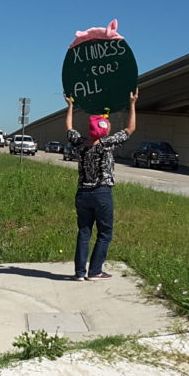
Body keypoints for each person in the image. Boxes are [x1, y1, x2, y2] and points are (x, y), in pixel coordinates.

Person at [63, 90, 138, 282]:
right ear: (105, 130)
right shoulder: (107, 144)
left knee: (84, 232)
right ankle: (95, 271)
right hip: (102, 193)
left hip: (82, 193)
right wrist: (132, 104)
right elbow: (130, 129)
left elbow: (69, 127)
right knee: (105, 233)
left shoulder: (80, 144)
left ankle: (80, 273)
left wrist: (70, 106)